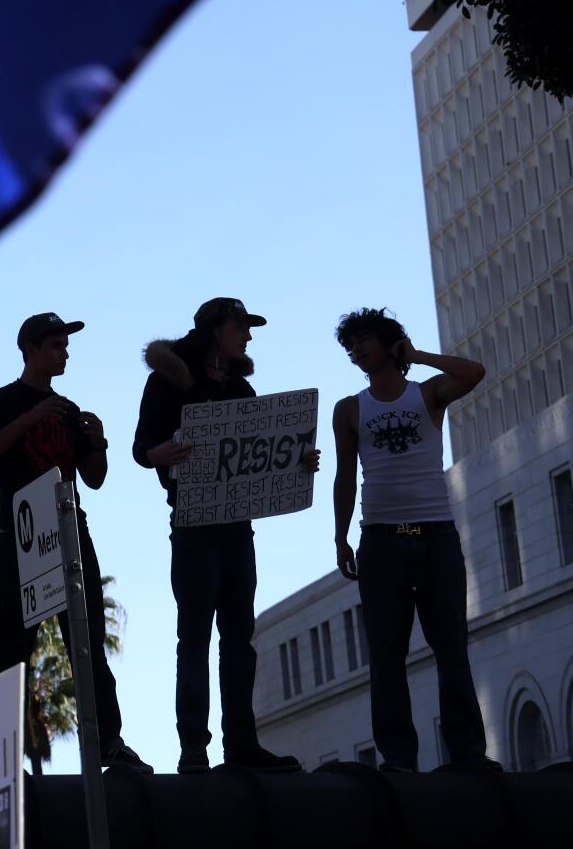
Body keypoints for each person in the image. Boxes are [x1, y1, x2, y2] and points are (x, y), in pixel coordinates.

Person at [132, 297, 317, 773]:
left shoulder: (241, 388)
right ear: (216, 330)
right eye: (241, 326)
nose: (248, 335)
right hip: (193, 526)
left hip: (237, 526)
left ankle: (241, 745)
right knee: (194, 635)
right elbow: (141, 448)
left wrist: (294, 461)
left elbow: (260, 454)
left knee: (239, 636)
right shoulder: (166, 382)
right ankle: (194, 747)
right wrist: (163, 454)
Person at [0, 313, 151, 774]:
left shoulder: (69, 410)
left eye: (65, 346)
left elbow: (94, 478)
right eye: (55, 345)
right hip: (21, 534)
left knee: (86, 637)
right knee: (14, 644)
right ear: (29, 348)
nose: (64, 353)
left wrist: (98, 441)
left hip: (70, 530)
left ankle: (109, 740)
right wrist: (29, 418)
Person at [330, 308, 500, 773]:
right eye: (351, 344)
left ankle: (467, 753)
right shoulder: (349, 409)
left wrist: (418, 355)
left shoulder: (427, 395)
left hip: (436, 536)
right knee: (386, 655)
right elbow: (346, 476)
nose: (357, 350)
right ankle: (399, 757)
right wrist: (341, 536)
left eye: (365, 339)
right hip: (380, 541)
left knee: (451, 646)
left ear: (389, 344)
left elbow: (475, 373)